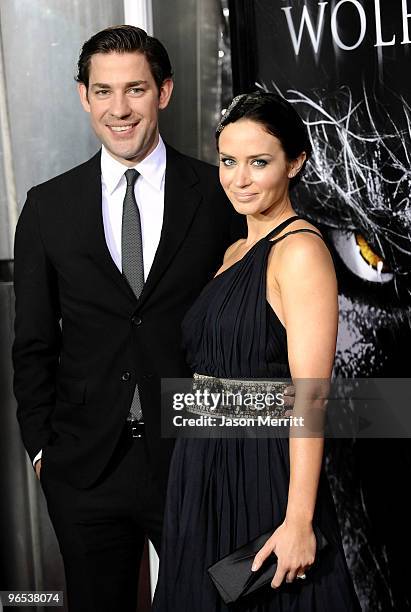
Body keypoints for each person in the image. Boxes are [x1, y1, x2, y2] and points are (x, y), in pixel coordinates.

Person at [12, 25, 246, 612]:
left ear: (164, 92)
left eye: (135, 90)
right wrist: (42, 451)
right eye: (103, 91)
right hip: (85, 466)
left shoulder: (218, 194)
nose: (120, 109)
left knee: (218, 601)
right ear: (83, 96)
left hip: (197, 453)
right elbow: (33, 343)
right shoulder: (48, 206)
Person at [152, 92, 361, 611]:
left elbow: (310, 397)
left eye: (259, 162)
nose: (238, 179)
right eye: (228, 161)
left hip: (262, 472)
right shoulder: (234, 251)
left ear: (295, 163)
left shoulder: (301, 251)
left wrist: (298, 519)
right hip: (204, 467)